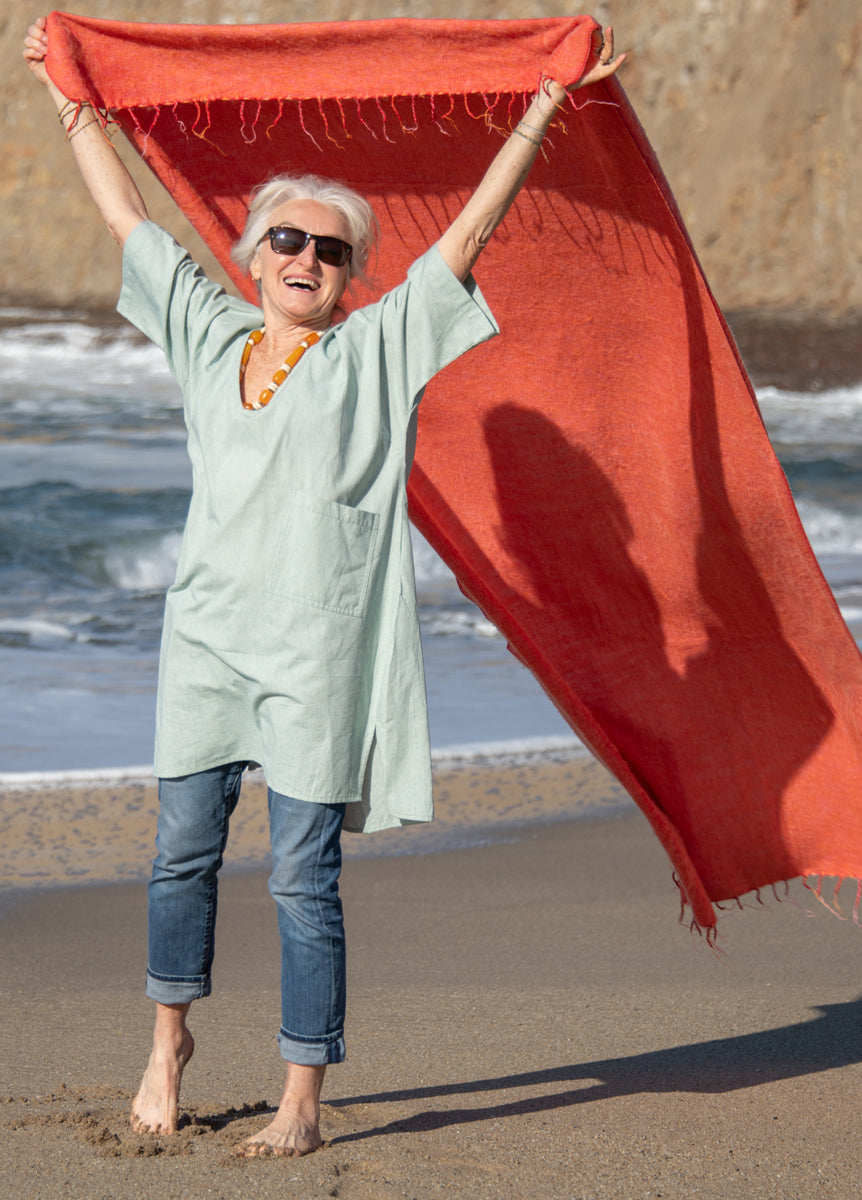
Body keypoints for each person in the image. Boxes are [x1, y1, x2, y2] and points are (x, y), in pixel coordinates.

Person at [23, 14, 625, 1158]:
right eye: (289, 240)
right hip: (204, 641)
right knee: (179, 855)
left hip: (316, 660)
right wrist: (72, 105)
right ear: (253, 253)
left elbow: (465, 240)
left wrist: (546, 109)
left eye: (333, 250)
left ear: (352, 279)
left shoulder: (375, 354)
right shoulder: (203, 333)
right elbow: (125, 217)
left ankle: (301, 1099)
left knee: (303, 882)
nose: (307, 259)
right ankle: (168, 1045)